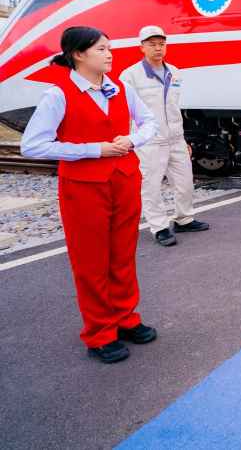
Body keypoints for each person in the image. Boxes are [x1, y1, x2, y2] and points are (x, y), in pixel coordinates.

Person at [21, 26, 158, 364]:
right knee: (91, 262)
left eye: (110, 48)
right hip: (83, 189)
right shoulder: (58, 94)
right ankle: (99, 332)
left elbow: (149, 122)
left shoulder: (121, 88)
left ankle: (125, 318)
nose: (110, 54)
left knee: (123, 255)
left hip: (124, 181)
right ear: (78, 54)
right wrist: (92, 150)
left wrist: (133, 140)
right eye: (101, 49)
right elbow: (32, 145)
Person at [120, 25, 209, 248]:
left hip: (176, 138)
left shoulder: (175, 72)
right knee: (151, 186)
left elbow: (175, 108)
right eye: (152, 44)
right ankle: (159, 227)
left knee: (185, 181)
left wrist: (183, 138)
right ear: (141, 47)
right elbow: (125, 111)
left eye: (161, 44)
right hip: (150, 141)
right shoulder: (130, 76)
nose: (158, 48)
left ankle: (184, 219)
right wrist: (132, 140)